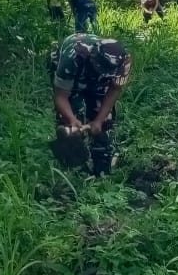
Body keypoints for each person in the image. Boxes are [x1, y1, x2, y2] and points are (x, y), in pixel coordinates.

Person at [48, 33, 131, 175]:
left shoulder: (124, 62)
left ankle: (102, 167)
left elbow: (114, 90)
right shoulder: (72, 56)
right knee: (71, 123)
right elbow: (61, 97)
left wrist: (98, 121)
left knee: (104, 123)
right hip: (74, 73)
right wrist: (72, 120)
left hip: (100, 83)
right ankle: (72, 169)